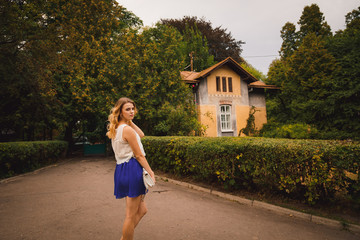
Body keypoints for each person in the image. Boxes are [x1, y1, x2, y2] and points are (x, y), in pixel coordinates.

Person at [106, 97, 155, 240]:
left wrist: (129, 120)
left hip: (121, 169)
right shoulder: (126, 130)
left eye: (133, 109)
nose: (132, 111)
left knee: (142, 210)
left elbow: (141, 135)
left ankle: (124, 237)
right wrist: (151, 171)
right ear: (120, 112)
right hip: (132, 169)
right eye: (127, 109)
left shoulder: (116, 128)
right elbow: (139, 155)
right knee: (130, 215)